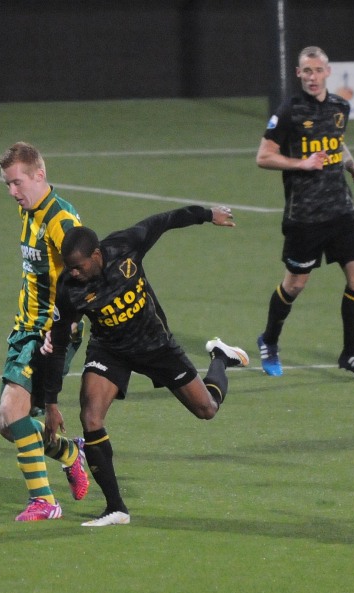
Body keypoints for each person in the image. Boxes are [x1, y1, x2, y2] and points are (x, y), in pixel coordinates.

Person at [41, 205, 249, 527]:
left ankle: (221, 357)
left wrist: (207, 214)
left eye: (78, 267)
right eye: (69, 269)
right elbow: (56, 347)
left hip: (156, 346)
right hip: (111, 349)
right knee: (90, 416)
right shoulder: (70, 291)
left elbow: (163, 221)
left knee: (206, 409)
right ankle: (116, 508)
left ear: (96, 255)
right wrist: (51, 402)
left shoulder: (125, 246)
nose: (73, 273)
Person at [255, 46, 354, 381]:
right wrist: (301, 163)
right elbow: (264, 156)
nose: (312, 77)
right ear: (298, 74)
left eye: (318, 70)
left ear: (328, 72)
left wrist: (352, 167)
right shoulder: (289, 111)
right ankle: (268, 341)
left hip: (341, 212)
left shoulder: (341, 107)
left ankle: (351, 355)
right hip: (305, 217)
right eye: (306, 71)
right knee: (295, 284)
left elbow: (336, 142)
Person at [0, 142, 90, 522]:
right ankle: (69, 453)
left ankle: (44, 501)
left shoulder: (61, 222)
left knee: (12, 410)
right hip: (24, 331)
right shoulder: (29, 211)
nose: (12, 192)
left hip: (51, 332)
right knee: (8, 425)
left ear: (40, 175)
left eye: (17, 182)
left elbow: (85, 280)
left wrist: (61, 328)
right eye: (7, 184)